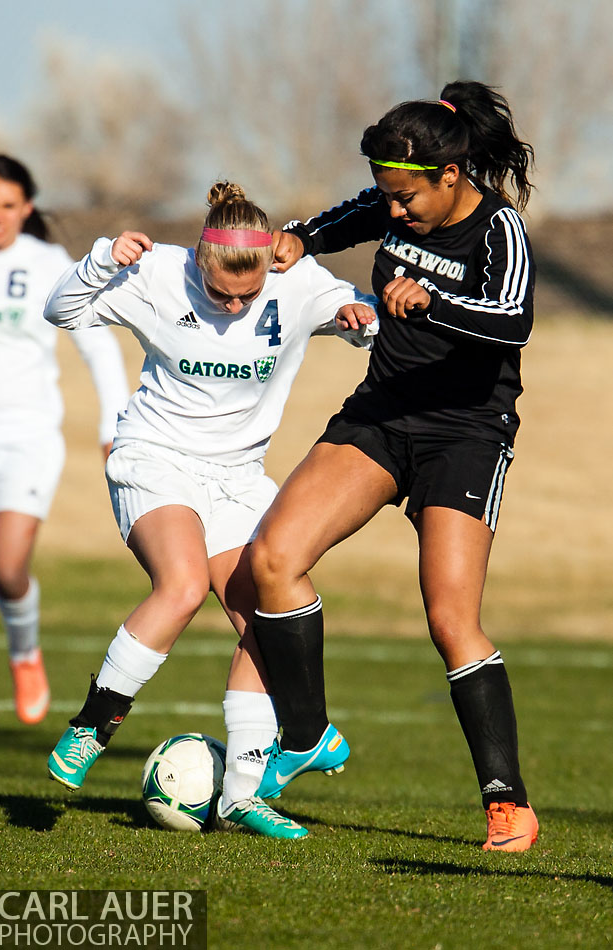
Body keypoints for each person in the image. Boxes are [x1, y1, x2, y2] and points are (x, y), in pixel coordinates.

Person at [249, 81, 539, 852]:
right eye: (387, 195)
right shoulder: (395, 198)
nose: (394, 211)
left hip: (465, 434)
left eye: (405, 197)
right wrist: (301, 236)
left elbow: (512, 321)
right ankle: (305, 735)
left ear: (450, 176)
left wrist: (429, 303)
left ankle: (506, 800)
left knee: (449, 618)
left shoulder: (498, 229)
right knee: (272, 560)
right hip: (380, 414)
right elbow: (352, 214)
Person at [43, 181, 377, 838]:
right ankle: (91, 727)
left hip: (237, 477)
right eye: (219, 291)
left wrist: (357, 322)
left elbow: (358, 312)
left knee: (262, 619)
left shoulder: (294, 278)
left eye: (244, 296)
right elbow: (63, 310)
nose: (231, 305)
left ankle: (241, 796)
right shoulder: (157, 272)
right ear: (198, 258)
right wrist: (102, 259)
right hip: (154, 457)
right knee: (184, 584)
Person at [0, 154, 129, 734]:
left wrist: (111, 427)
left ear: (27, 207)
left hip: (27, 437)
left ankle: (24, 651)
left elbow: (96, 343)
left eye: (7, 206)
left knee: (5, 565)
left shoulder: (46, 263)